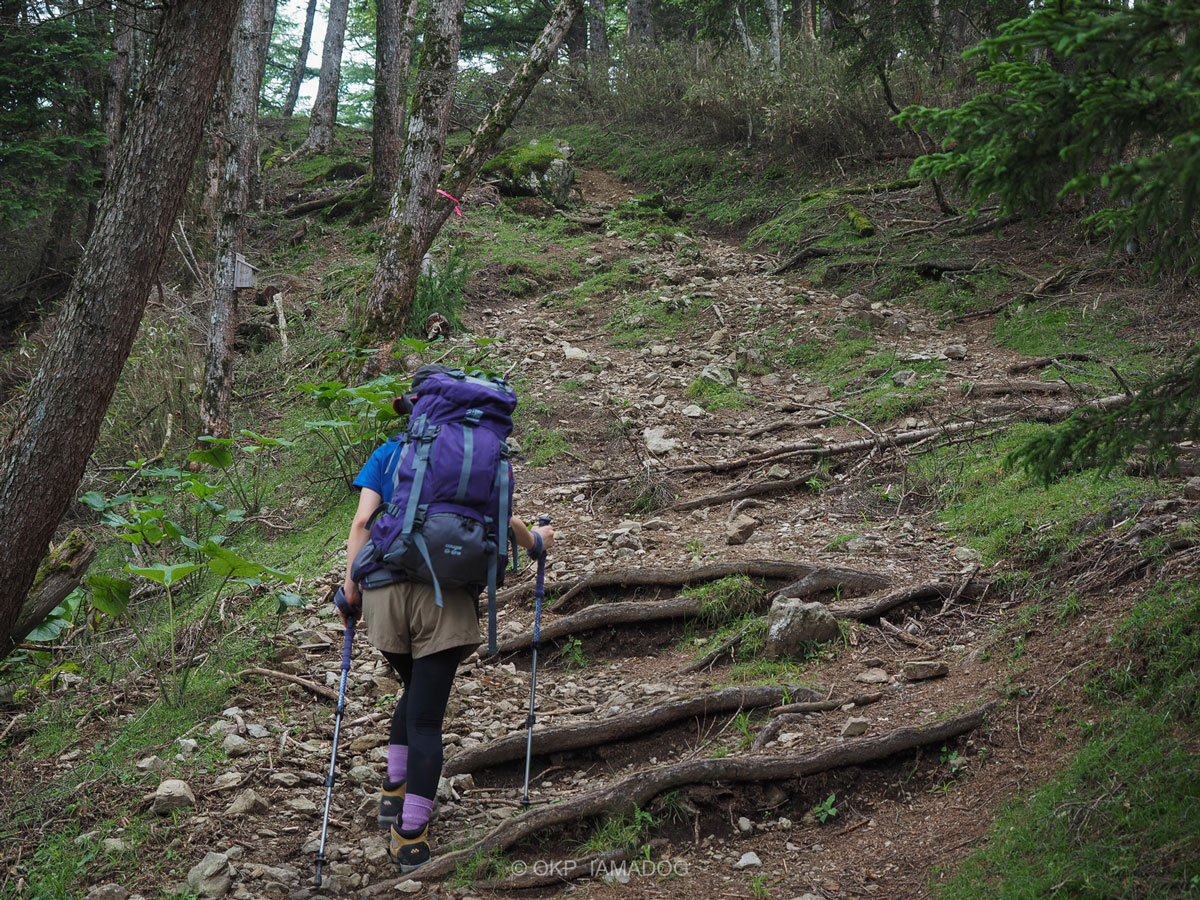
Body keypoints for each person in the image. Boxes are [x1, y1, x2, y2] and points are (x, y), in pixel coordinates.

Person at [338, 431, 554, 874]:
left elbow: (362, 523)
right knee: (426, 717)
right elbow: (503, 521)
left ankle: (393, 792)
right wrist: (536, 541)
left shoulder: (391, 450)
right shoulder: (479, 458)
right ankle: (410, 836)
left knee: (414, 688)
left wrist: (350, 589)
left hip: (384, 592)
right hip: (445, 599)